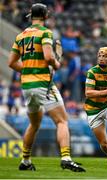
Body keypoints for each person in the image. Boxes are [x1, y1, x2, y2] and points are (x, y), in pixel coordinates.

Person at [8, 3, 85, 172]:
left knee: (34, 124)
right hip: (43, 83)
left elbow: (11, 63)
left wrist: (28, 68)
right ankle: (66, 158)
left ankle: (25, 160)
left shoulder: (21, 36)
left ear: (31, 16)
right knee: (62, 121)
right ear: (45, 16)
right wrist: (56, 63)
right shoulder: (45, 33)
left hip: (27, 86)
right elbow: (49, 57)